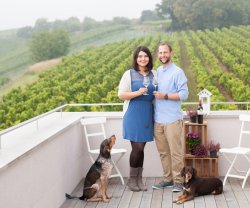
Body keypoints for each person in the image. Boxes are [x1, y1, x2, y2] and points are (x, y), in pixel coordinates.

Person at [118, 46, 156, 192]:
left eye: (145, 56)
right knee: (137, 148)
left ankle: (139, 179)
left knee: (141, 149)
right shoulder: (129, 74)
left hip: (147, 114)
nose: (142, 59)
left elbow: (155, 93)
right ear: (136, 58)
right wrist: (137, 92)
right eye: (140, 56)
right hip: (133, 114)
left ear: (149, 58)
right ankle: (132, 180)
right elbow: (121, 95)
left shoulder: (154, 74)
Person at [152, 42, 189, 192]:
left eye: (165, 52)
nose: (162, 55)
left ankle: (179, 182)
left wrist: (165, 96)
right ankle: (167, 179)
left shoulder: (178, 72)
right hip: (158, 120)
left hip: (173, 120)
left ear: (171, 53)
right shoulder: (157, 72)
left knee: (176, 153)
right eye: (160, 53)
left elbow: (184, 94)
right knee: (163, 153)